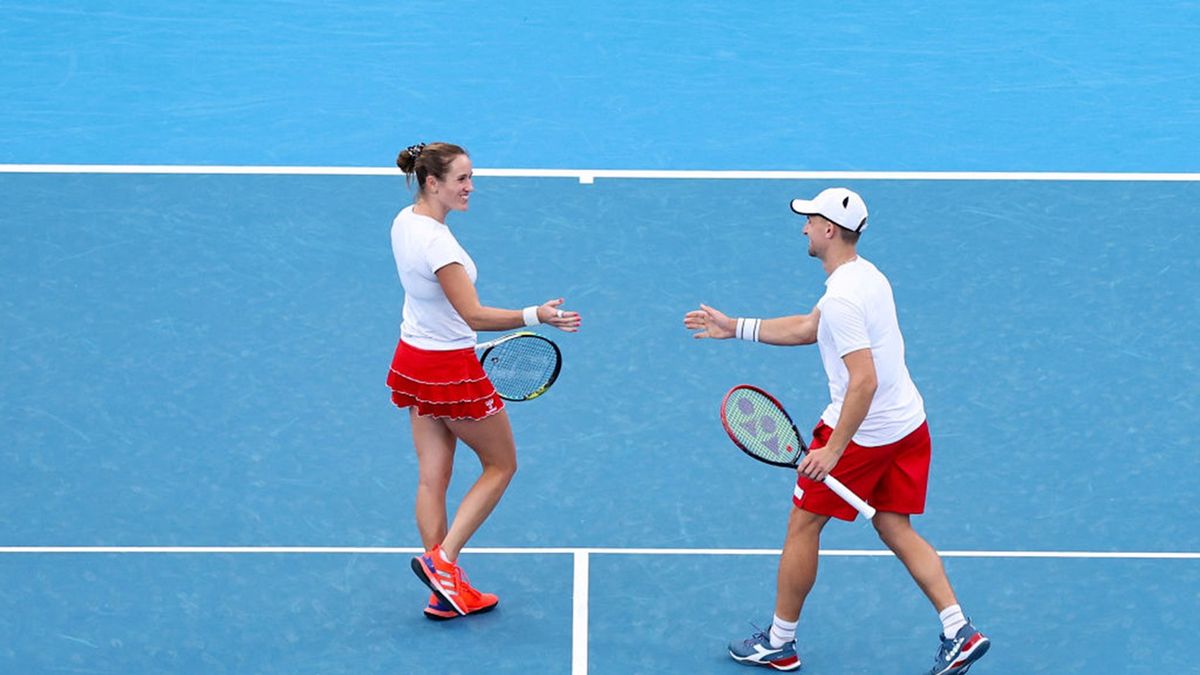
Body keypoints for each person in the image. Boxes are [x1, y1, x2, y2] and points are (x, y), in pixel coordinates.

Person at [683, 188, 989, 673]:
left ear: (829, 229)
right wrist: (734, 327)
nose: (803, 227)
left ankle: (780, 642)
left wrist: (833, 451)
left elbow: (862, 381)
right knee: (893, 524)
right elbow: (809, 328)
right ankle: (959, 630)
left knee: (803, 522)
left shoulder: (844, 298)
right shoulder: (865, 277)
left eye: (810, 221)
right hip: (908, 424)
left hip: (863, 435)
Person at [387, 142, 581, 620]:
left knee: (433, 476)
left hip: (413, 358)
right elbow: (471, 313)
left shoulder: (404, 221)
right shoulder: (439, 245)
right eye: (461, 179)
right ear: (433, 182)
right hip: (450, 369)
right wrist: (537, 315)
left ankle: (443, 591)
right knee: (501, 465)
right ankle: (444, 562)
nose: (471, 187)